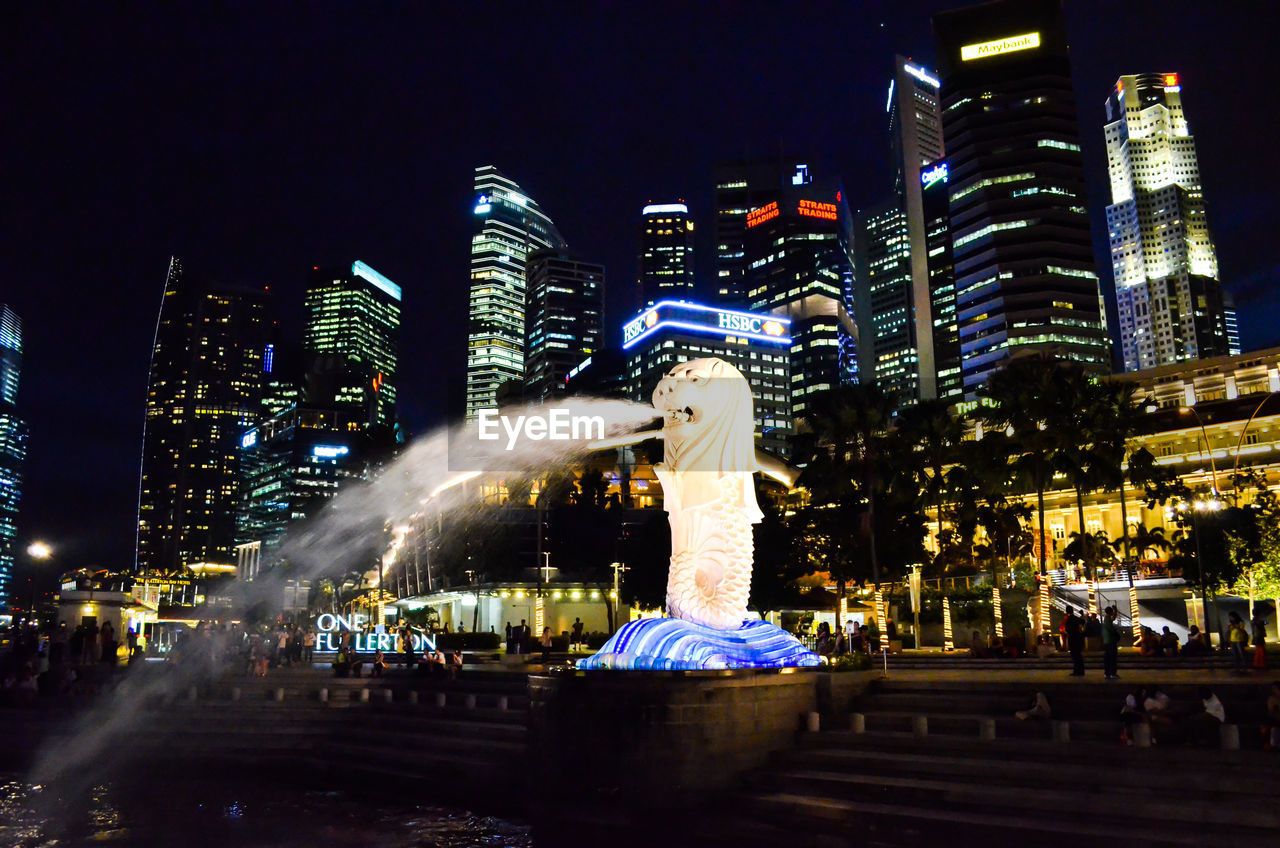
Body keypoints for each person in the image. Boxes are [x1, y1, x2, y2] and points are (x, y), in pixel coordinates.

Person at [1101, 605, 1121, 680]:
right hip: (1111, 641)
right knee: (1112, 657)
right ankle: (1112, 673)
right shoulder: (1107, 619)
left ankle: (1107, 673)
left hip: (1106, 641)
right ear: (1110, 612)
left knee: (1107, 658)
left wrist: (1115, 611)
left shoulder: (1106, 618)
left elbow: (1113, 618)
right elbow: (1111, 630)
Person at [1063, 607, 1085, 676]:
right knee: (1078, 655)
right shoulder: (1075, 618)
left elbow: (1067, 629)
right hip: (1078, 638)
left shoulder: (1069, 619)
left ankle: (1077, 671)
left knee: (1075, 656)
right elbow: (1083, 621)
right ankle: (1081, 671)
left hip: (1072, 639)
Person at [1264, 681, 1280, 751]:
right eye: (1272, 688)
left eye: (1275, 688)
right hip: (1275, 721)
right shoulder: (1271, 699)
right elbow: (1271, 712)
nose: (1273, 690)